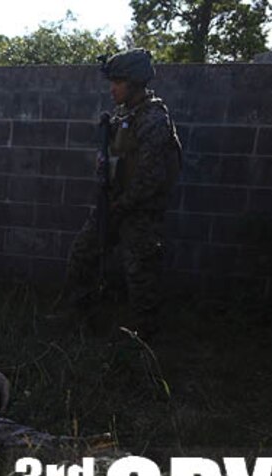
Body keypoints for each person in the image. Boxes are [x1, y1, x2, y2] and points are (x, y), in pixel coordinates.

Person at [58, 48, 182, 339]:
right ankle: (79, 315)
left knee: (140, 273)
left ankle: (145, 339)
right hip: (115, 204)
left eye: (118, 82)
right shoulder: (126, 114)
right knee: (82, 254)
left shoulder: (153, 119)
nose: (112, 88)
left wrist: (121, 205)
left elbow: (151, 177)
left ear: (135, 82)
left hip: (140, 210)